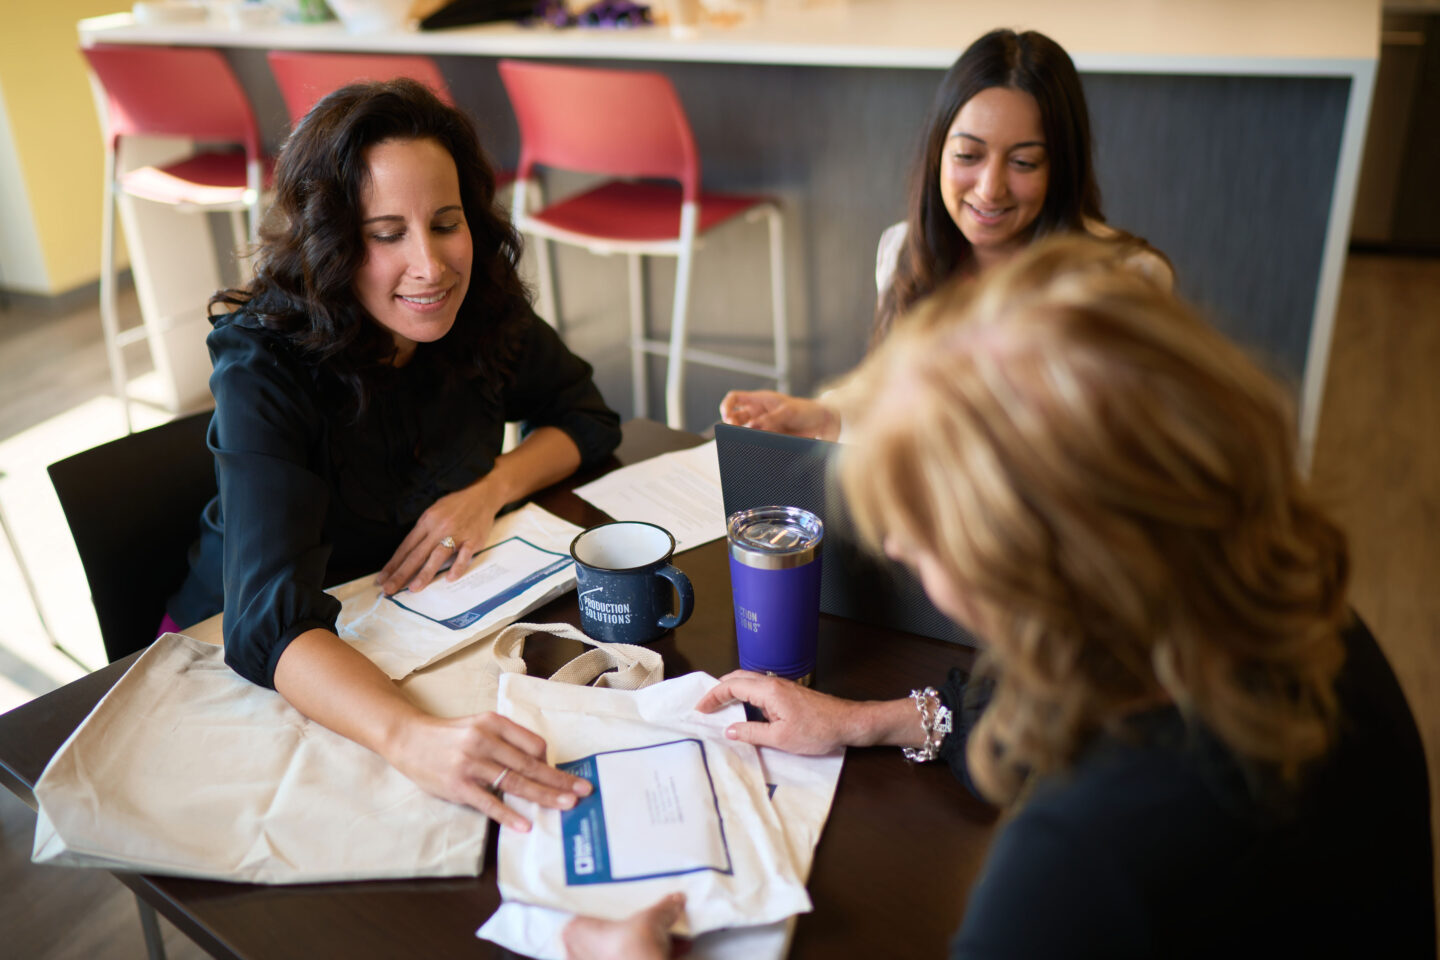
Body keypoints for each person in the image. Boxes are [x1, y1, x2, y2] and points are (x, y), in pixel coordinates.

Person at [565, 237, 1434, 958]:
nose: (897, 546)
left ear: (1025, 562)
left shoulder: (1082, 859)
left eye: (918, 522)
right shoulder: (1300, 627)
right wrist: (867, 720)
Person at [166, 79, 623, 829]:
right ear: (331, 240)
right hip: (247, 658)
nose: (431, 265)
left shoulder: (480, 309)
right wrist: (409, 738)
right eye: (386, 234)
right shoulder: (264, 363)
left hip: (404, 619)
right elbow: (267, 623)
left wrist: (491, 487)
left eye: (446, 223)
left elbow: (585, 417)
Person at [720, 28, 1170, 440]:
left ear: (1061, 168)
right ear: (938, 152)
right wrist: (822, 415)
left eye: (1024, 162)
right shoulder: (905, 251)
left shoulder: (1126, 279)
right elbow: (889, 390)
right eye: (968, 155)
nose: (990, 188)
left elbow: (1124, 456)